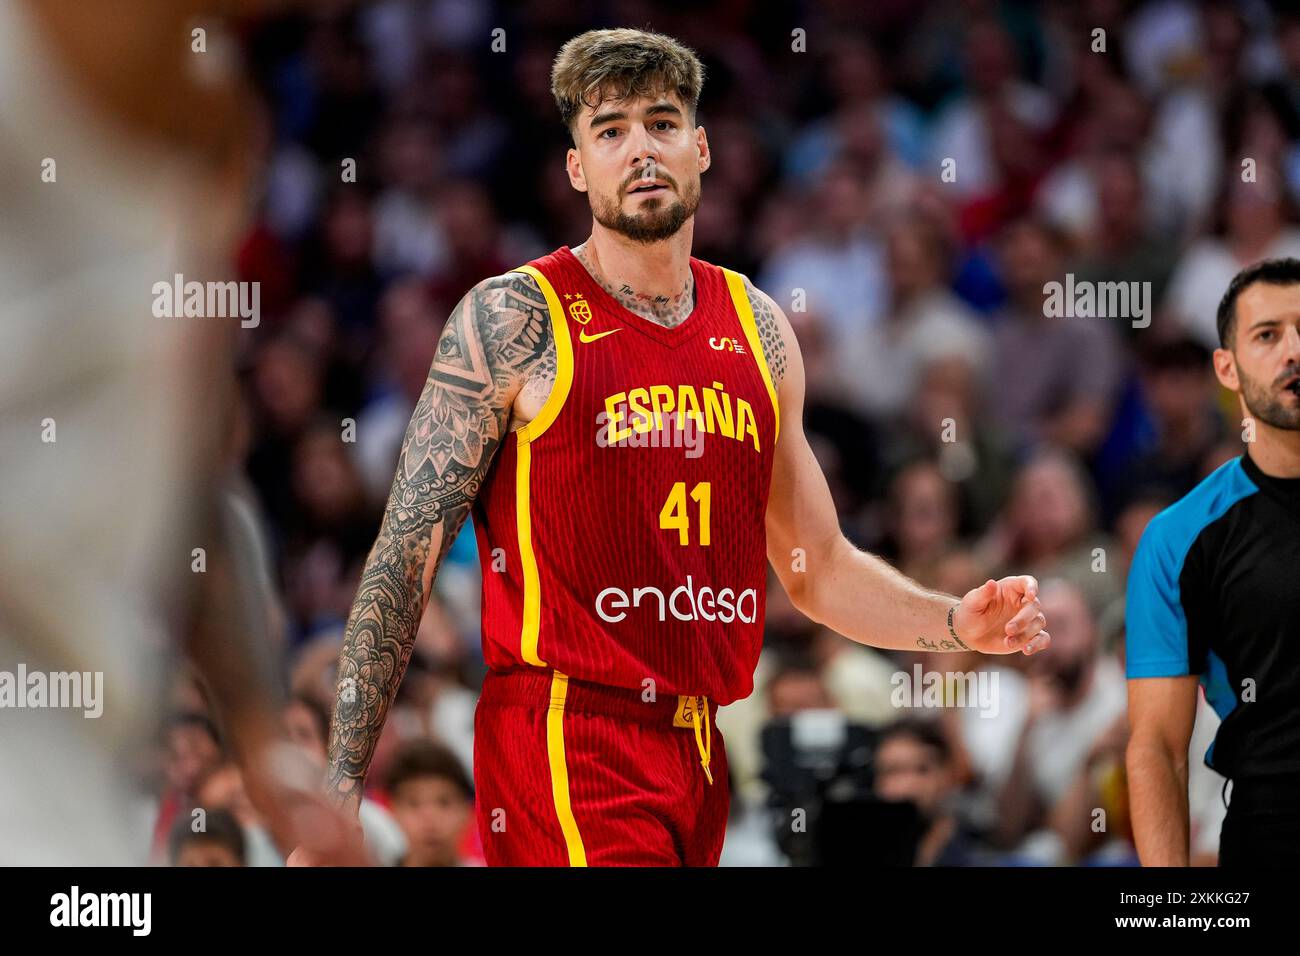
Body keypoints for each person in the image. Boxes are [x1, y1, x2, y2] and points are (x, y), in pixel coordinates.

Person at [296, 28, 1050, 868]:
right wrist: (339, 788)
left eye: (661, 123)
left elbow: (815, 565)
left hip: (698, 741)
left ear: (702, 148)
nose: (640, 150)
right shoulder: (515, 319)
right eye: (609, 130)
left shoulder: (759, 327)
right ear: (578, 167)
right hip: (566, 732)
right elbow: (405, 552)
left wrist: (951, 625)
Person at [1127, 258, 1300, 866]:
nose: (1294, 352)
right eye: (1268, 334)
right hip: (1271, 833)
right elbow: (1157, 747)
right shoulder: (1177, 540)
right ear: (1226, 369)